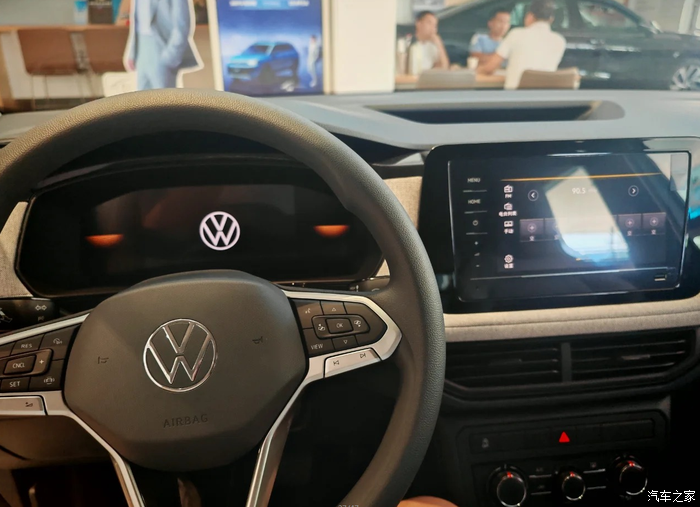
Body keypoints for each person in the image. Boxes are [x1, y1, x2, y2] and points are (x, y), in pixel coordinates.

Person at [477, 0, 566, 90]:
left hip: (515, 95)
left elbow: (489, 68)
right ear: (551, 19)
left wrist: (474, 71)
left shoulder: (515, 34)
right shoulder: (560, 41)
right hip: (543, 96)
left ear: (529, 16)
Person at [124, 0, 200, 90]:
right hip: (142, 49)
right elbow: (137, 22)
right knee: (142, 96)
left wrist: (171, 54)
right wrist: (132, 52)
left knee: (164, 97)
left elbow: (182, 24)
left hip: (162, 48)